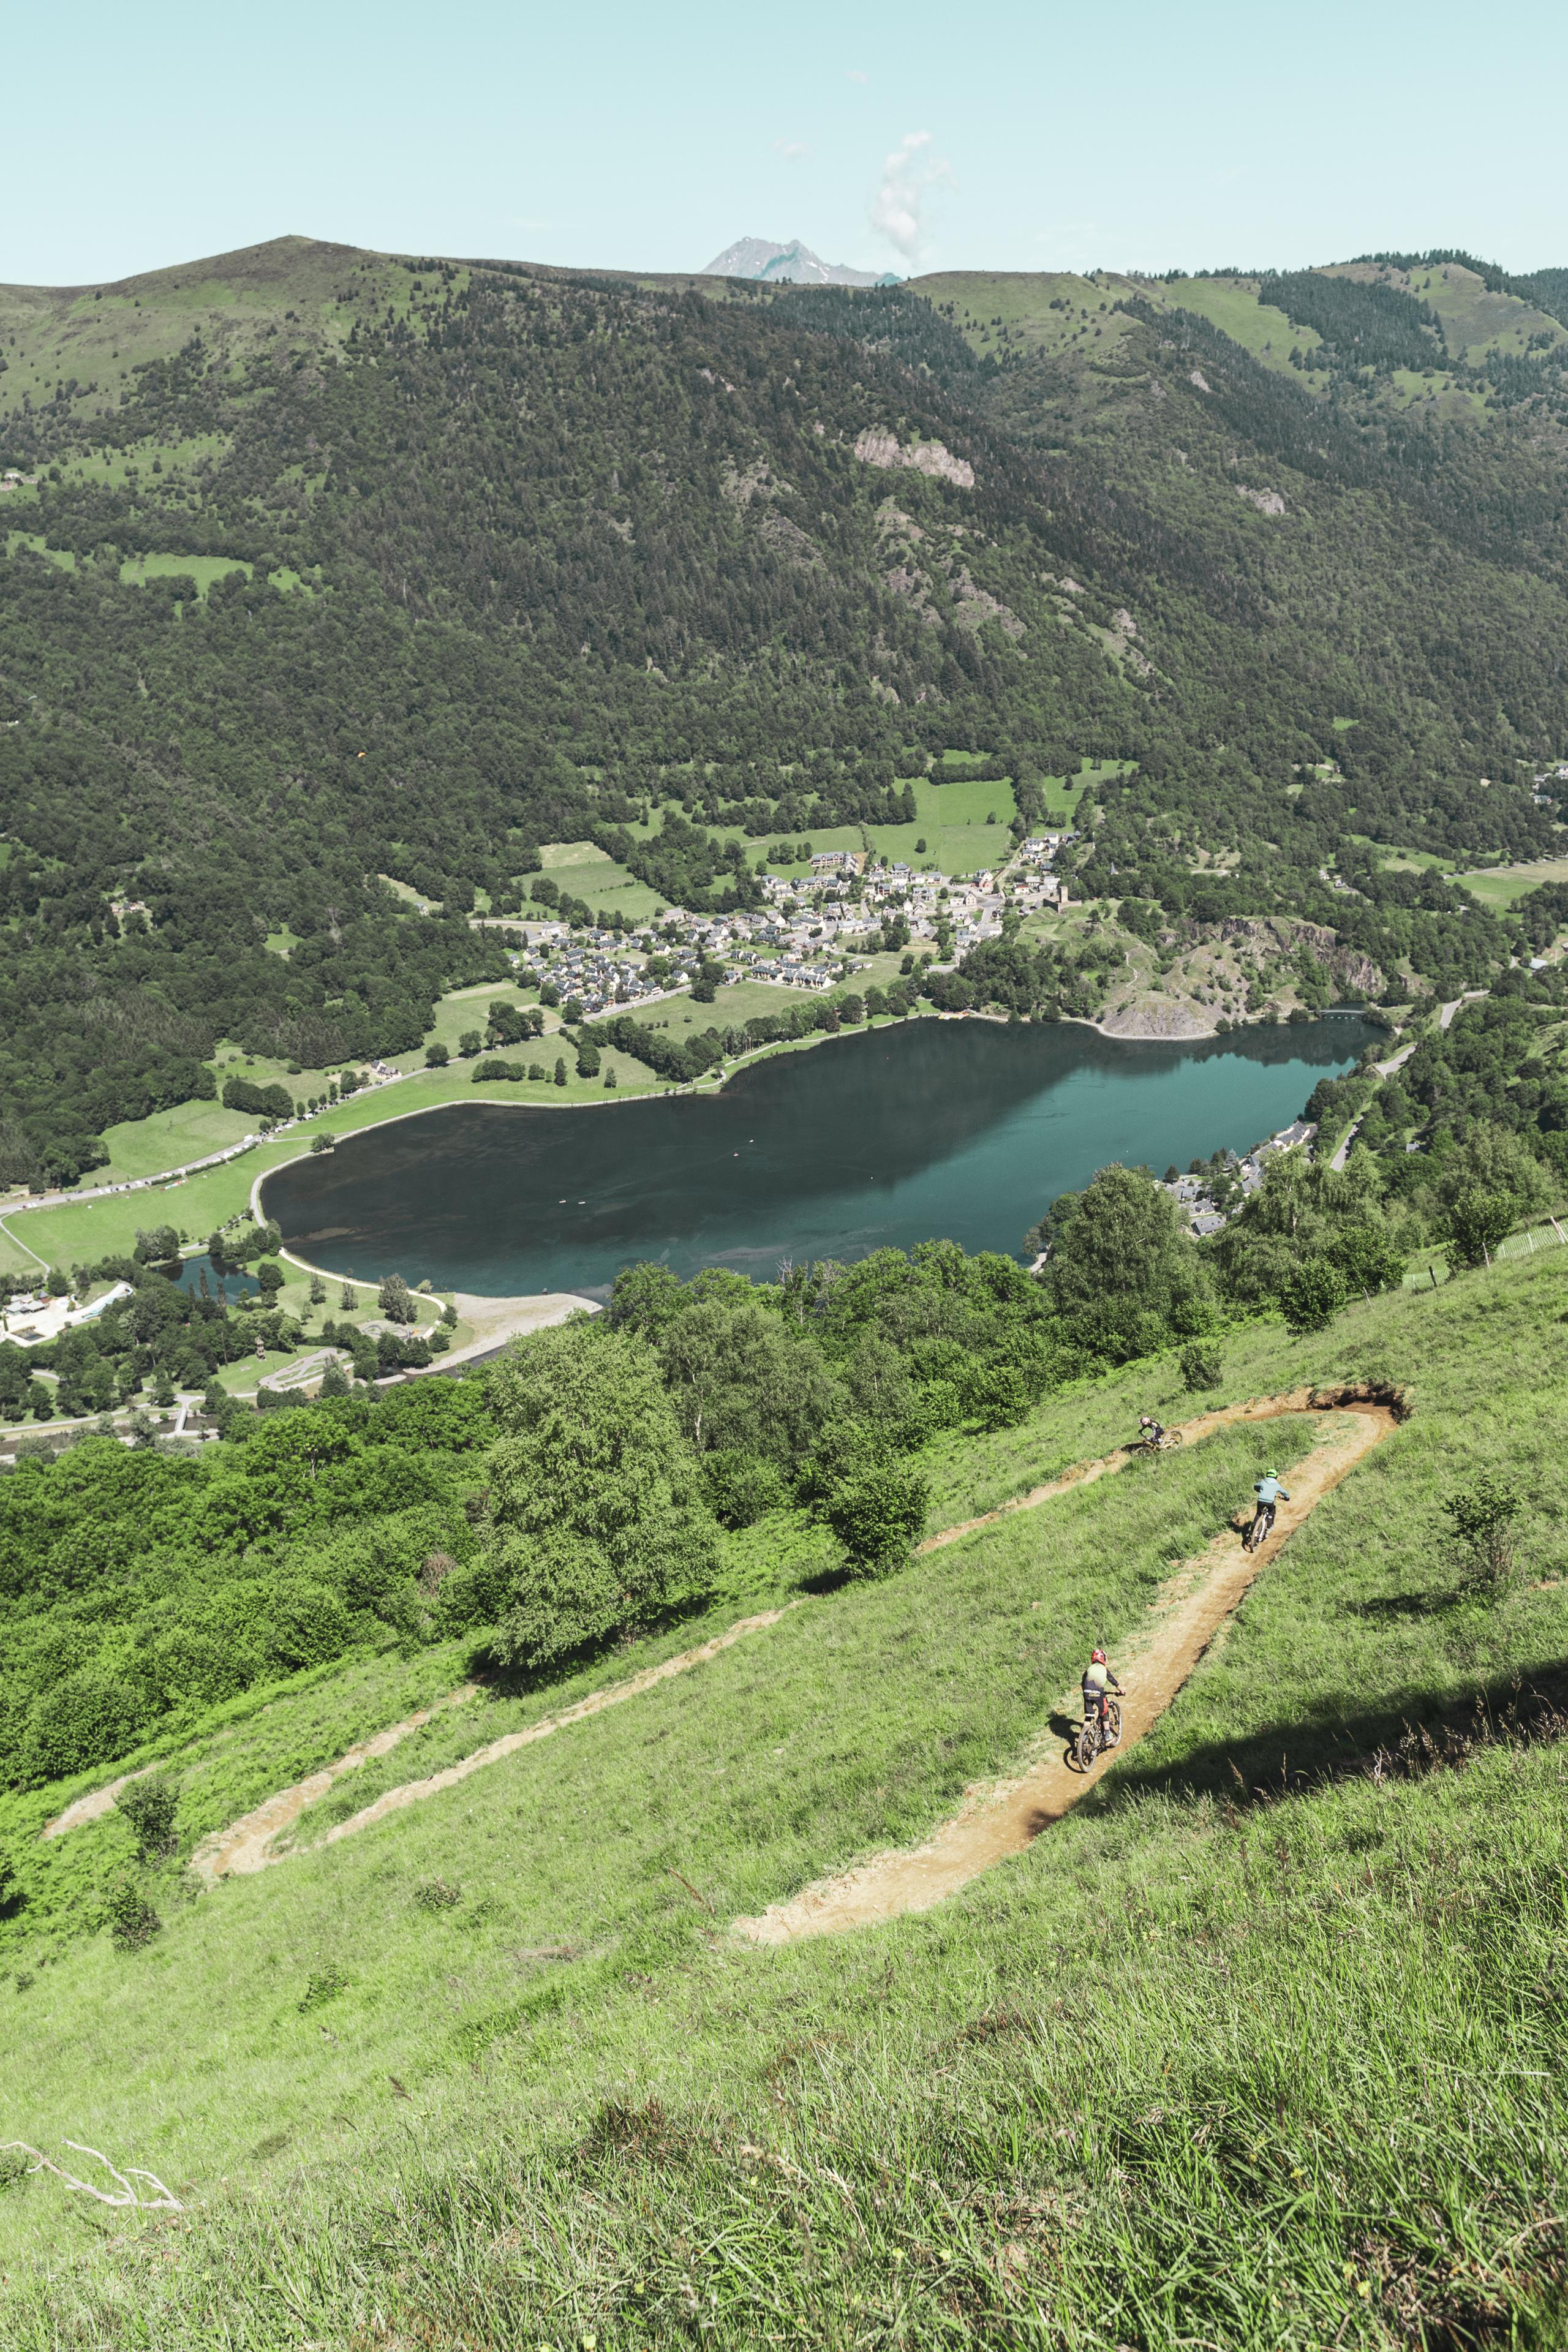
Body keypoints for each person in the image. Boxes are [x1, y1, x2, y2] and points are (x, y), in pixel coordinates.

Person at [1082, 1646, 1123, 1733]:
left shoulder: (1089, 1669)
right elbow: (1113, 1681)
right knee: (1105, 1712)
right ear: (1103, 1659)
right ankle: (1108, 1734)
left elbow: (1083, 1682)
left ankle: (1085, 1736)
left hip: (1086, 1693)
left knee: (1089, 1716)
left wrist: (1086, 1692)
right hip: (1098, 1693)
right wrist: (1121, 1691)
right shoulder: (1104, 1669)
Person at [1249, 1470, 1290, 1548]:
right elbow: (1284, 1492)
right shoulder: (1276, 1485)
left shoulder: (1263, 1482)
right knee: (1272, 1511)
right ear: (1276, 1476)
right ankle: (1270, 1526)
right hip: (1269, 1502)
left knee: (1259, 1513)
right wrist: (1287, 1498)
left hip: (1260, 1501)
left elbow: (1255, 1486)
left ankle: (1254, 1527)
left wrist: (1259, 1490)